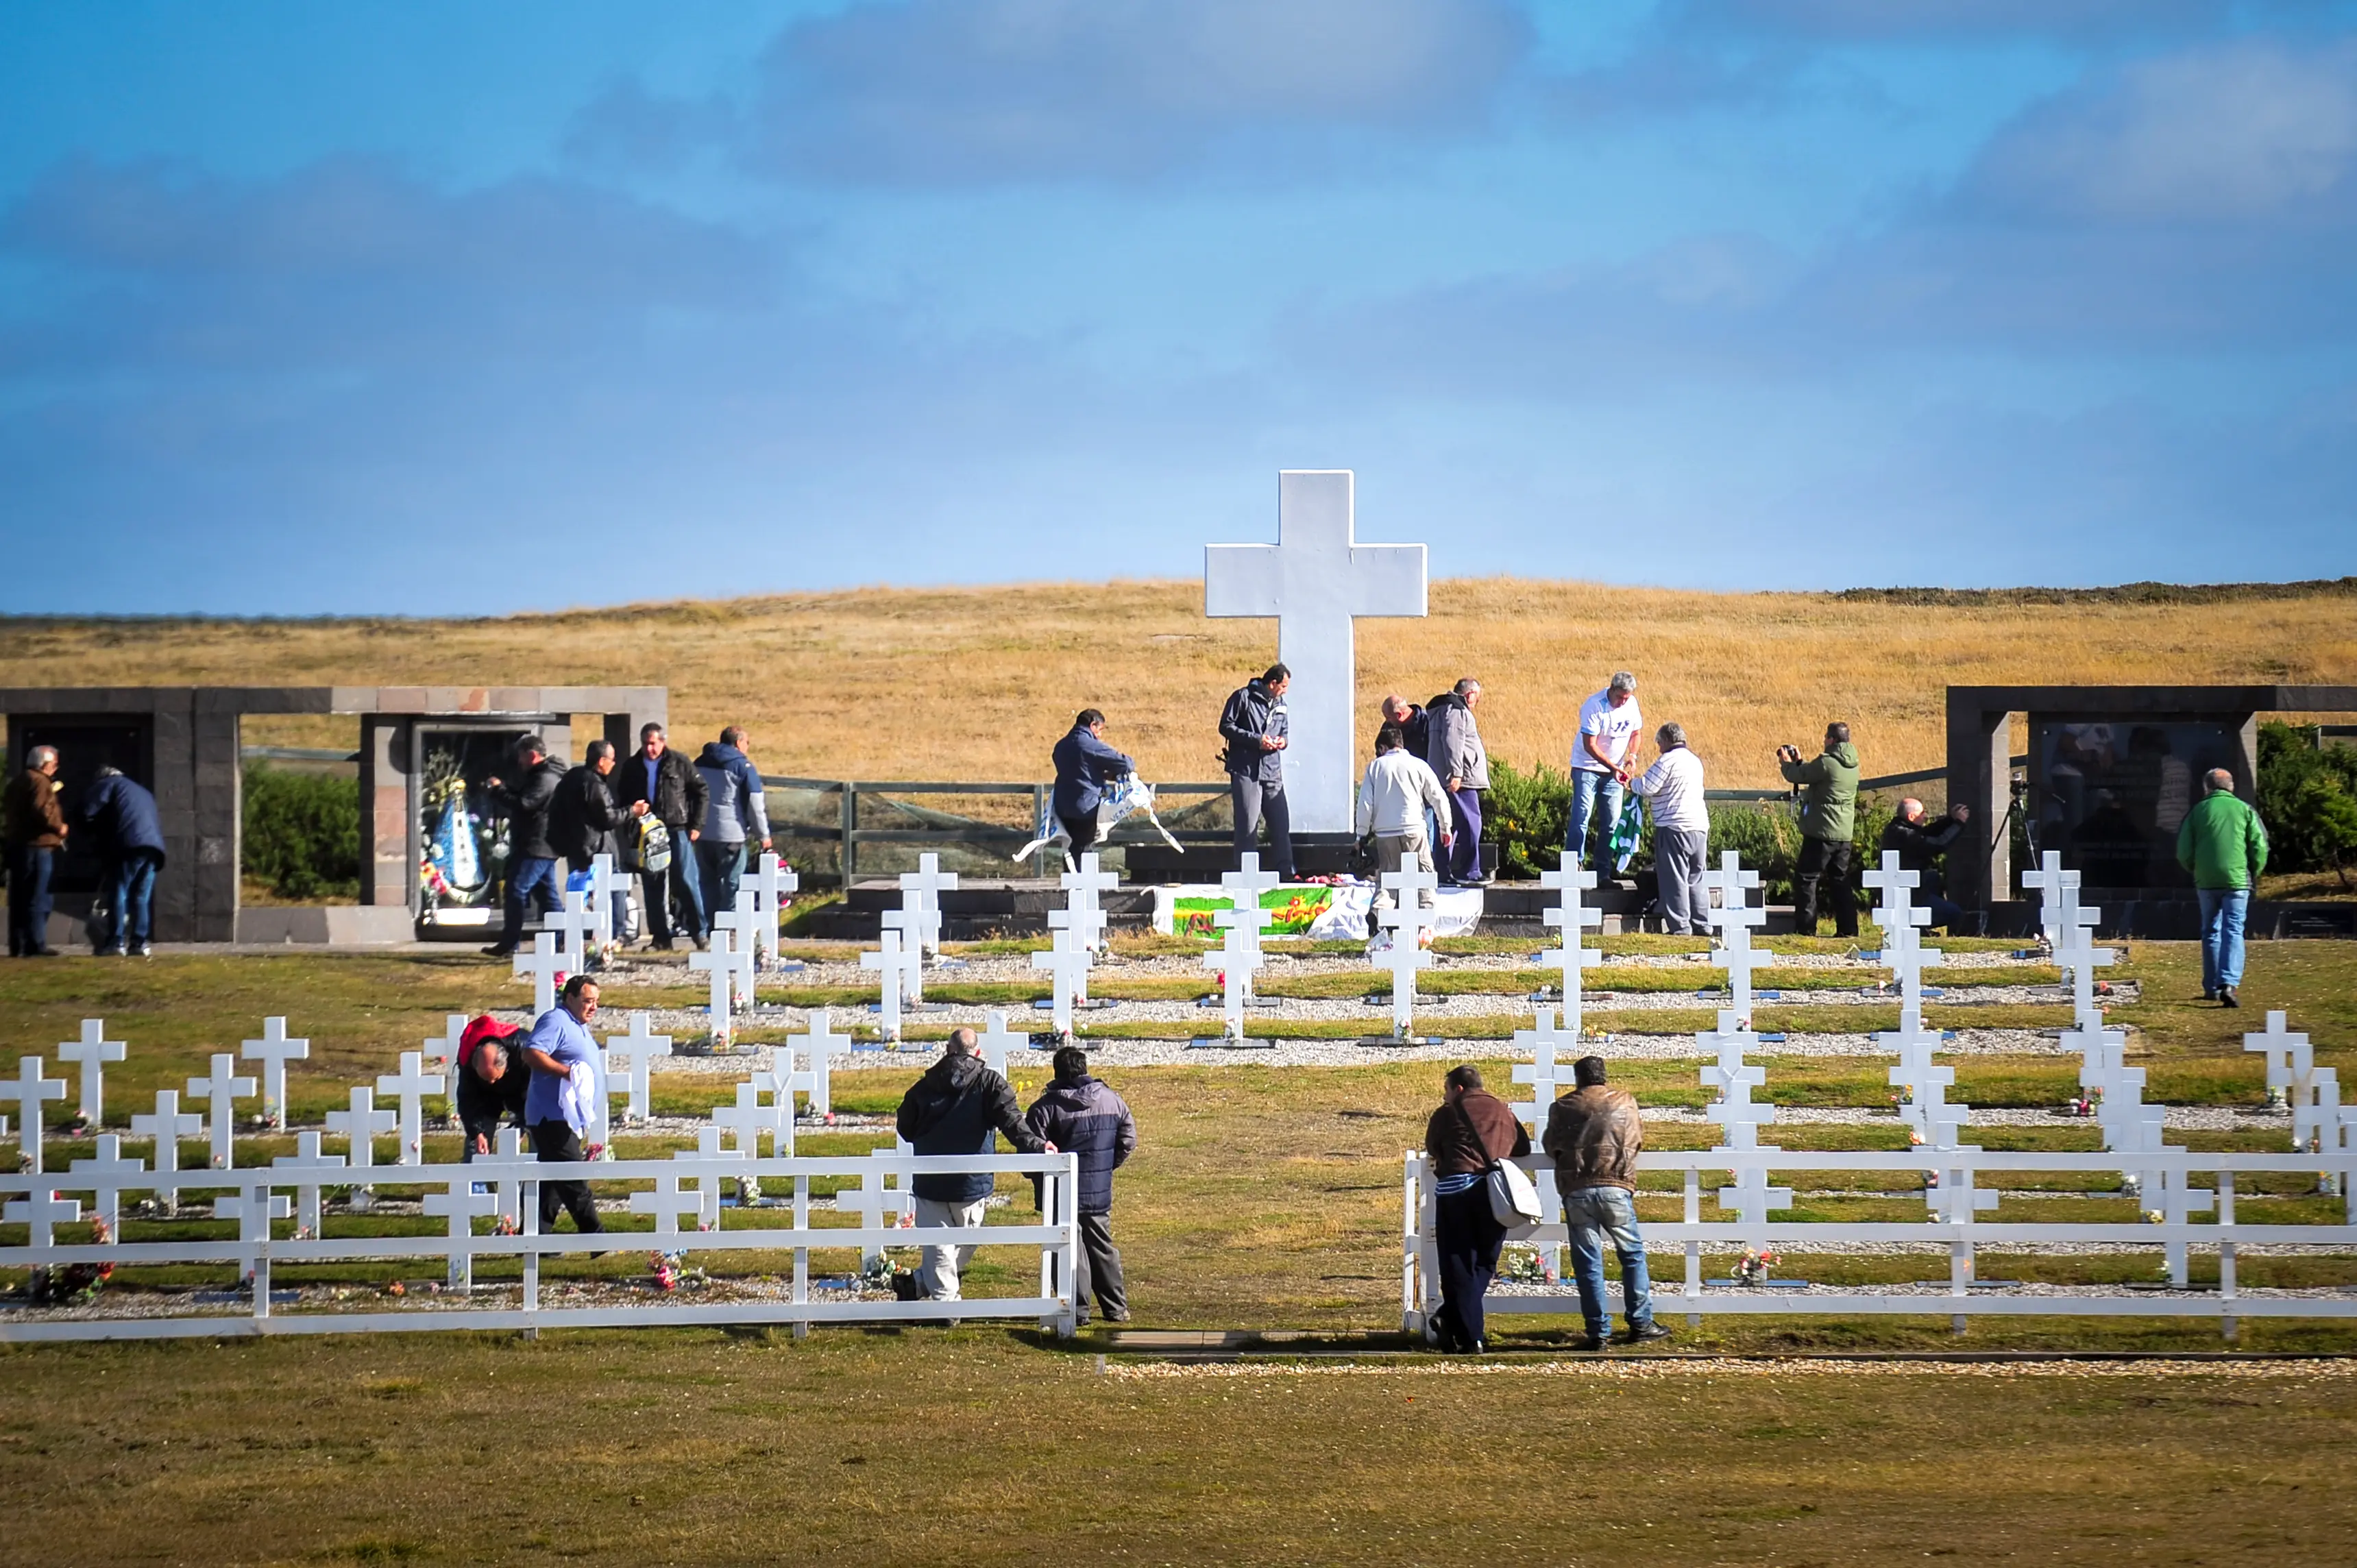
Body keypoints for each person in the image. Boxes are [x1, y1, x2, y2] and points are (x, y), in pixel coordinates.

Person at [895, 1027, 1053, 1301]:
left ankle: (920, 1285)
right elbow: (1013, 1123)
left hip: (930, 1180)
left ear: (948, 1050)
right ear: (978, 1052)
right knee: (963, 1243)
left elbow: (906, 1128)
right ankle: (947, 1305)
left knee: (939, 1247)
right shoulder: (990, 1083)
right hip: (972, 1182)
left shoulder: (924, 1087)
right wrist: (1039, 1146)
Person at [1542, 1056, 1666, 1349]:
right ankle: (1641, 1322)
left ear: (1578, 1079)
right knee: (1632, 1255)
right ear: (1604, 1076)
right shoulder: (1625, 1101)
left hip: (1578, 1189)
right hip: (1616, 1186)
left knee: (1588, 1263)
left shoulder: (1563, 1106)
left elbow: (1550, 1147)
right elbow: (1636, 1140)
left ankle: (1598, 1332)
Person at [1023, 1045, 1138, 1325]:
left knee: (1069, 1250)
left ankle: (1077, 1310)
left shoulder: (1044, 1109)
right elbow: (1128, 1140)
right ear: (1085, 1068)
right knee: (1102, 1248)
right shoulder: (1113, 1101)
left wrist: (1041, 1180)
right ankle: (1116, 1309)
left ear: (1057, 1072)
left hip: (1060, 1193)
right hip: (1098, 1190)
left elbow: (1031, 1157)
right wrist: (1107, 1167)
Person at [1421, 1064, 1529, 1354]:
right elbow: (1523, 1148)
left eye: (1446, 1090)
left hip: (1455, 1192)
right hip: (1492, 1194)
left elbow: (1433, 1147)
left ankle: (1471, 1338)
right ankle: (1452, 1319)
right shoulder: (1503, 1111)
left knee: (1458, 1263)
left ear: (1457, 1089)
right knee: (1485, 1261)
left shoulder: (1448, 1113)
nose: (1444, 1097)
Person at [610, 722, 709, 951]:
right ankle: (661, 938)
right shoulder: (632, 766)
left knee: (685, 881)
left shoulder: (678, 762)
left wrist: (697, 825)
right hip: (647, 830)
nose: (649, 748)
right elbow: (623, 796)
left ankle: (700, 933)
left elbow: (701, 790)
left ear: (662, 741)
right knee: (653, 886)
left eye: (653, 743)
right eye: (645, 743)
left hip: (677, 829)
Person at [521, 975, 605, 1237]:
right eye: (587, 1001)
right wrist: (566, 1072)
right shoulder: (555, 1021)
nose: (593, 1007)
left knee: (553, 1183)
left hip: (567, 1117)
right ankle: (596, 1237)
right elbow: (531, 1053)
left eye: (596, 1002)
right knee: (572, 1177)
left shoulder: (577, 1024)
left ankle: (536, 1236)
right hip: (552, 1117)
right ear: (569, 998)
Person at [2177, 768, 2269, 1008]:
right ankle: (2229, 983)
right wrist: (2254, 871)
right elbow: (2260, 845)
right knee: (2234, 930)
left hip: (2206, 881)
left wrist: (2195, 869)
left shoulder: (2197, 812)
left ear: (2206, 787)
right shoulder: (2245, 810)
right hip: (2238, 880)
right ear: (2231, 787)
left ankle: (2212, 987)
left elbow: (2183, 849)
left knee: (2211, 930)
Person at [481, 735, 568, 958]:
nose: (519, 762)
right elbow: (524, 796)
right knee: (548, 897)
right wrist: (505, 788)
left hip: (537, 846)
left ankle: (511, 943)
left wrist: (498, 791)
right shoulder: (540, 776)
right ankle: (561, 941)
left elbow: (525, 804)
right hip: (539, 845)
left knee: (515, 889)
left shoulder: (546, 778)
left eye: (521, 756)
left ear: (532, 755)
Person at [1356, 723, 1452, 914]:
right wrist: (1445, 827)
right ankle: (1425, 916)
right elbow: (1438, 797)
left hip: (1385, 833)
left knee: (1388, 877)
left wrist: (1361, 835)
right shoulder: (1419, 765)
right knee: (1424, 874)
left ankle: (1379, 914)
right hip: (1414, 828)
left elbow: (1365, 803)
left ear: (1383, 747)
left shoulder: (1375, 767)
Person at [1779, 722, 1861, 938]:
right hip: (1844, 832)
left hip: (1822, 831)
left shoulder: (1827, 762)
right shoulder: (1853, 763)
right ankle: (1848, 928)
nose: (1824, 740)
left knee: (1806, 879)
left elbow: (1798, 776)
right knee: (1840, 880)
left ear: (1832, 740)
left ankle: (1806, 928)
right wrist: (1800, 762)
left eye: (1826, 737)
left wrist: (1787, 764)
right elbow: (1815, 775)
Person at [78, 764, 166, 957]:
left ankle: (116, 942)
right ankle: (139, 943)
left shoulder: (108, 784)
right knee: (142, 897)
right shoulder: (141, 791)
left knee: (120, 891)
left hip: (129, 846)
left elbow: (88, 810)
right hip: (154, 848)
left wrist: (89, 830)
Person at [1631, 724, 1709, 935]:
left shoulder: (1667, 761)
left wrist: (1630, 783)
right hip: (1700, 826)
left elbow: (1648, 787)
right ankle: (1702, 924)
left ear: (1665, 740)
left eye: (1659, 743)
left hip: (1674, 826)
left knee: (1674, 878)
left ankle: (1680, 927)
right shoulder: (1695, 761)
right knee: (1696, 877)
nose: (1658, 748)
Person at [1221, 663, 1294, 877]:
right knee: (1247, 825)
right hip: (1246, 770)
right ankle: (1246, 873)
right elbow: (1226, 726)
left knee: (1281, 824)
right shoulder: (1242, 697)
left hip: (1272, 772)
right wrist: (1256, 741)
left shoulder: (1282, 704)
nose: (1285, 690)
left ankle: (1286, 870)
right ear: (1272, 683)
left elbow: (1285, 731)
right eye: (1283, 686)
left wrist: (1283, 741)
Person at [694, 726, 772, 924]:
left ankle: (711, 927)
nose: (748, 747)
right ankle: (728, 926)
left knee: (707, 882)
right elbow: (755, 804)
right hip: (732, 834)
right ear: (738, 743)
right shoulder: (742, 766)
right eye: (747, 743)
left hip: (703, 833)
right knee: (733, 883)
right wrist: (763, 835)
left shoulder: (700, 762)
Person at [1568, 673, 1643, 868]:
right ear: (1611, 688)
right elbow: (1589, 745)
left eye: (1626, 698)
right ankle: (1574, 863)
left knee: (1612, 822)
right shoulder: (1594, 705)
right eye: (1620, 697)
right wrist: (1613, 767)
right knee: (1581, 816)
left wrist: (1632, 757)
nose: (1623, 702)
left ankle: (1603, 871)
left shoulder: (1632, 704)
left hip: (1614, 773)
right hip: (1586, 768)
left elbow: (1636, 733)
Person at [3, 744, 66, 958]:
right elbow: (42, 810)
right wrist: (60, 827)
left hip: (18, 845)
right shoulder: (39, 780)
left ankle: (18, 944)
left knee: (20, 897)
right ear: (46, 764)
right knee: (39, 897)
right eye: (54, 765)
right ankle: (36, 944)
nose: (55, 769)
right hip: (38, 847)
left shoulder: (18, 782)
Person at [1426, 678, 1491, 885]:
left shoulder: (1441, 710)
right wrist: (1456, 773)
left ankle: (1443, 872)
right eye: (1477, 700)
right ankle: (1470, 871)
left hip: (1449, 778)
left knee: (1448, 825)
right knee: (1473, 823)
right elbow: (1452, 741)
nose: (1475, 705)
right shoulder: (1457, 711)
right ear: (1470, 694)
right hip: (1461, 781)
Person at [1051, 709, 1134, 859]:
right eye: (1100, 730)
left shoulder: (1061, 745)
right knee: (1085, 850)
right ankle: (1083, 880)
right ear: (1093, 725)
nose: (1100, 735)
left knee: (1070, 850)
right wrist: (1110, 774)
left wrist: (1098, 773)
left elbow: (1078, 771)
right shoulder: (1090, 745)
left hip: (1062, 806)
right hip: (1086, 806)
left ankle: (1071, 880)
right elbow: (1125, 764)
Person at [1881, 798, 1971, 932]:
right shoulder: (1905, 835)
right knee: (1955, 913)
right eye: (1922, 813)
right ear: (1911, 816)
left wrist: (1950, 819)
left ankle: (1921, 926)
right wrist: (1959, 824)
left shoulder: (1899, 827)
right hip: (1907, 893)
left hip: (1913, 885)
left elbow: (1928, 832)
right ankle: (1914, 925)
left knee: (1933, 877)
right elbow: (1939, 844)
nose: (1926, 816)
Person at [454, 1016, 529, 1160]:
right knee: (475, 1145)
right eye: (486, 1078)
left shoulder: (525, 1050)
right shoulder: (467, 1058)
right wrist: (476, 1133)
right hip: (485, 1097)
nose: (492, 1082)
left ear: (505, 1064)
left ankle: (541, 1177)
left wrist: (522, 1126)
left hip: (520, 1090)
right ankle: (476, 1180)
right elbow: (467, 1099)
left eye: (495, 1078)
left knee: (539, 1131)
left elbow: (537, 1093)